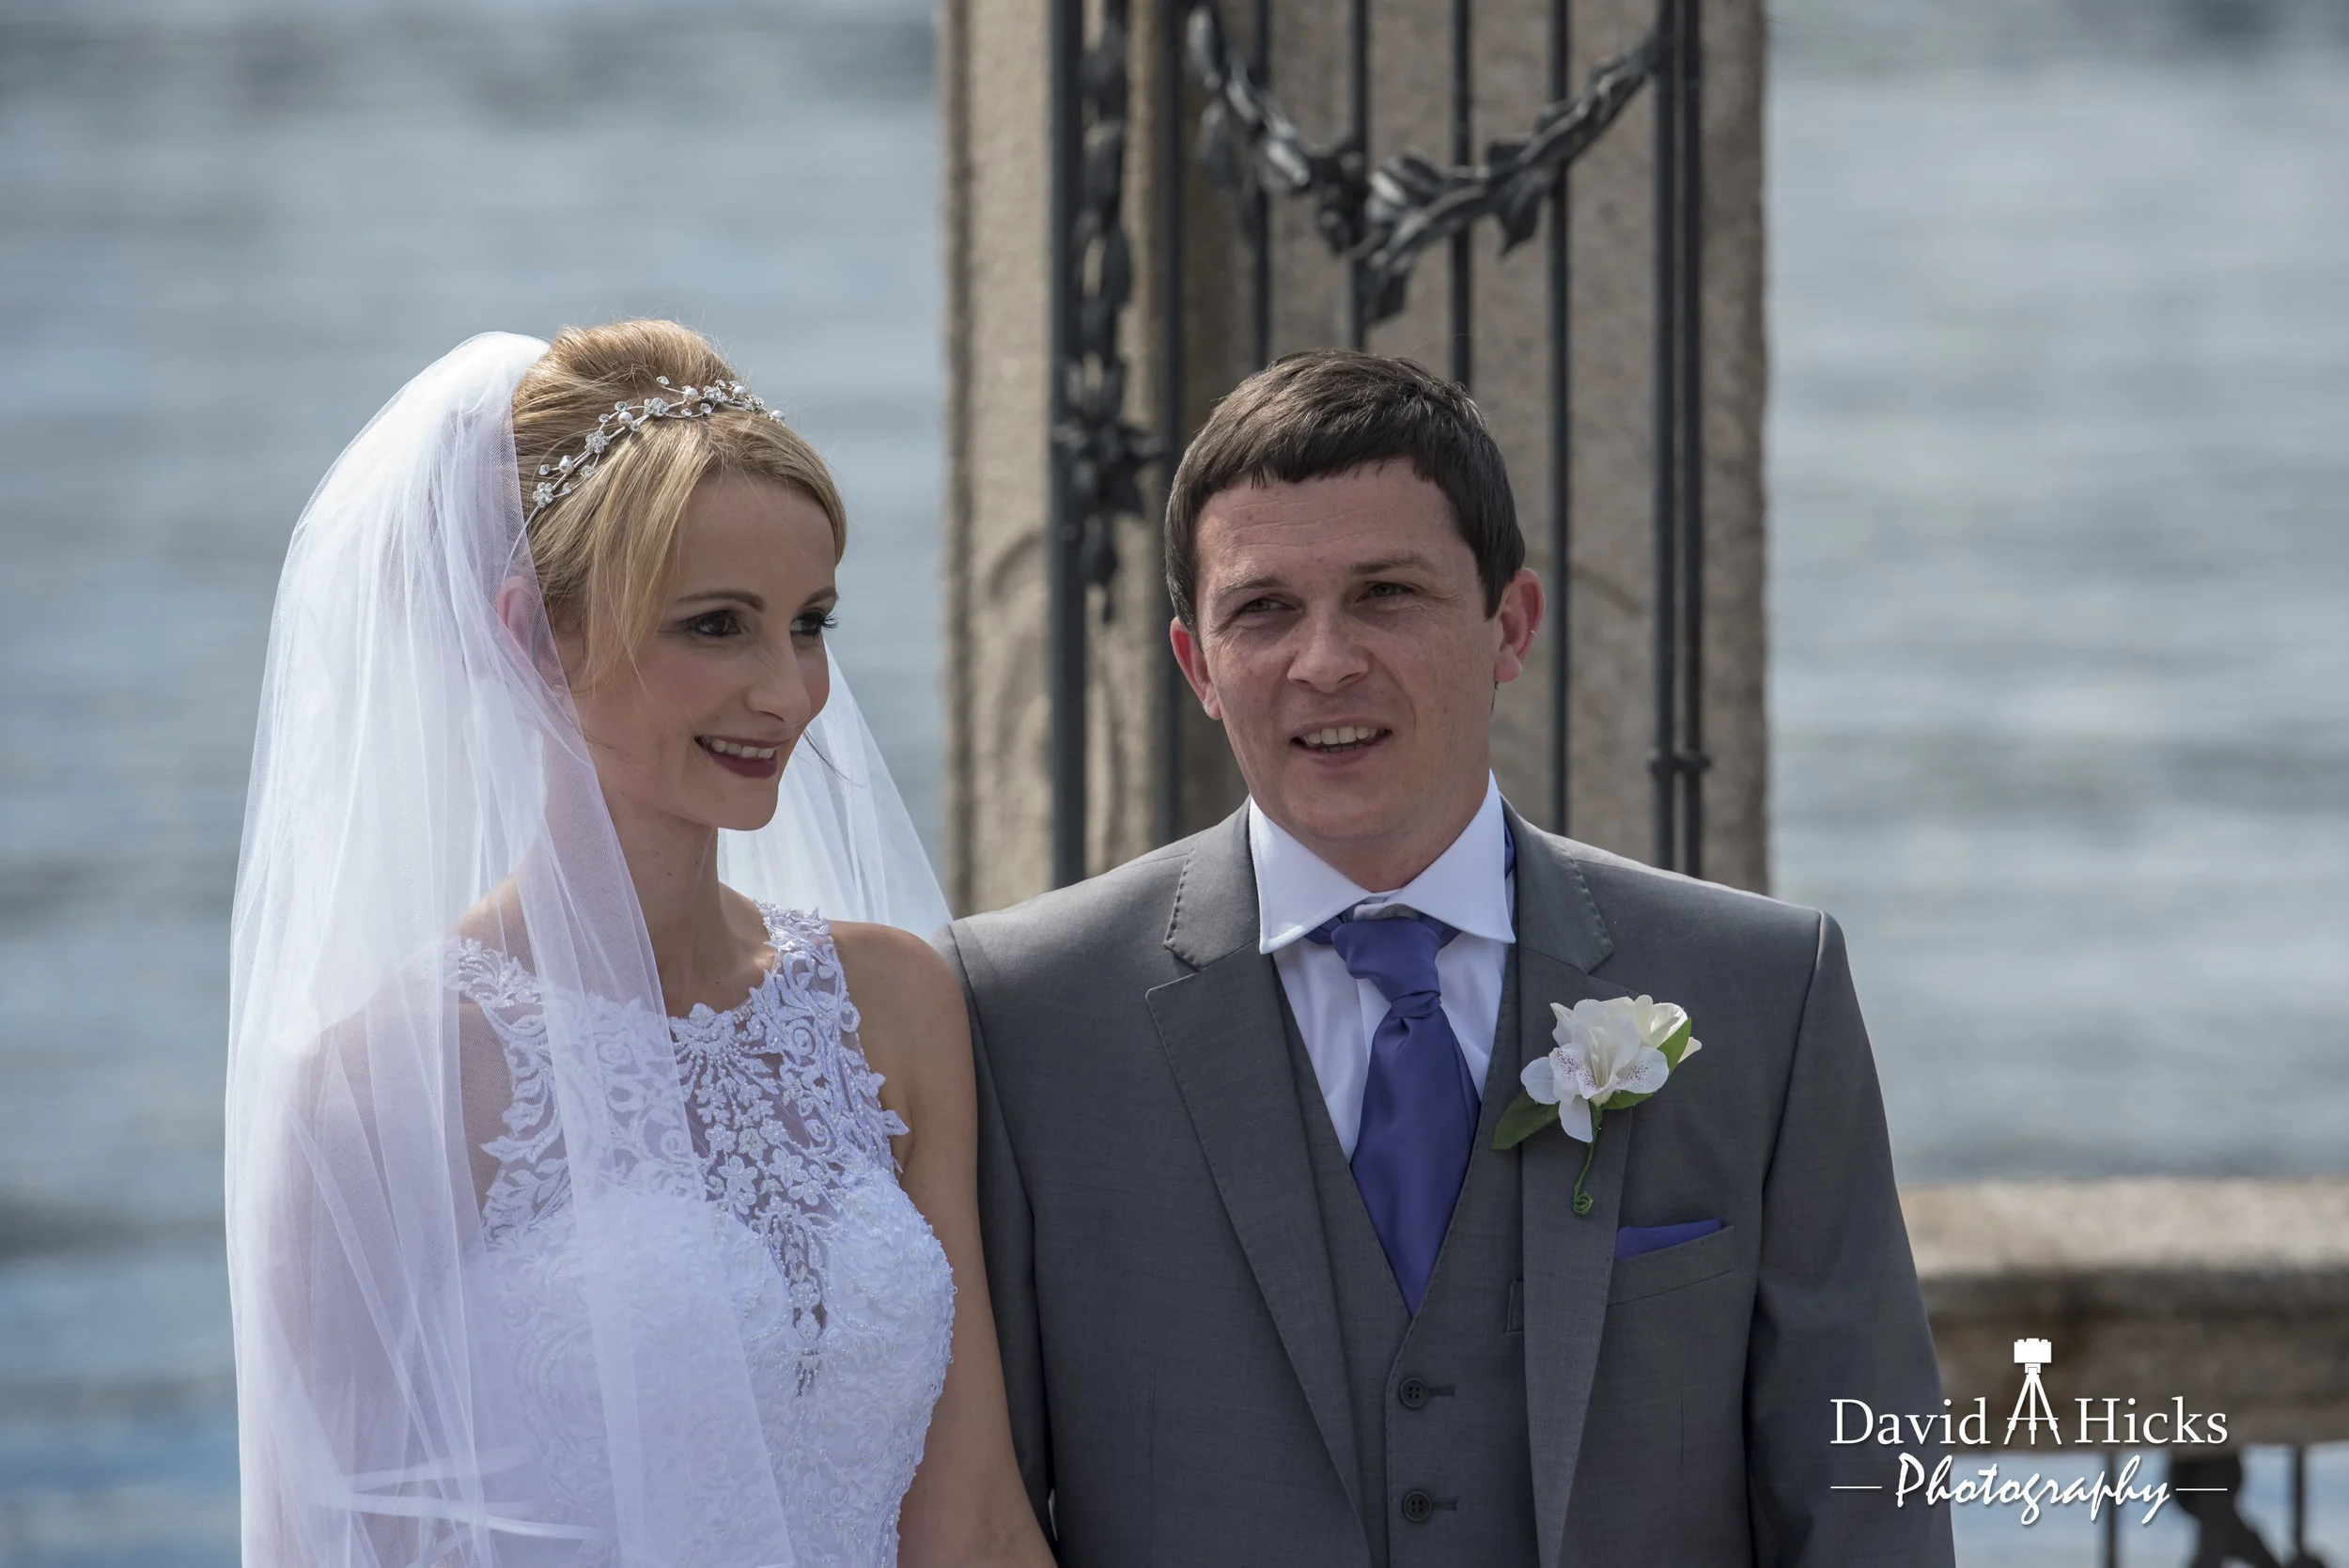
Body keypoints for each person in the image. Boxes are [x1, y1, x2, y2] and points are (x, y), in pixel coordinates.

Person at [940, 349, 1957, 1566]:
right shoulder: (1020, 1015)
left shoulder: (1762, 992)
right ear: (1197, 665)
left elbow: (1865, 1500)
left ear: (1509, 625)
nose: (1326, 661)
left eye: (1387, 594)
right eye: (1264, 610)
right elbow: (981, 1519)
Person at [226, 320, 1052, 1568]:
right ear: (529, 638)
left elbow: (975, 1517)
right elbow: (337, 1541)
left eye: (810, 624)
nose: (787, 691)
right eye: (717, 626)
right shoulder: (384, 1087)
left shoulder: (892, 1001)